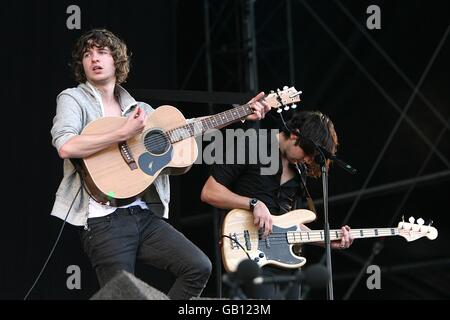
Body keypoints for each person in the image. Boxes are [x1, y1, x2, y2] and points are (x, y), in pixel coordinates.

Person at [50, 28, 270, 299]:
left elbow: (186, 128)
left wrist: (240, 113)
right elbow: (66, 146)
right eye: (87, 54)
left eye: (102, 52)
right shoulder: (73, 98)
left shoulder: (140, 109)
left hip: (142, 215)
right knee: (123, 296)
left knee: (198, 267)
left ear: (116, 60)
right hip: (102, 220)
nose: (94, 58)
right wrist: (122, 133)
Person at [201, 110, 354, 299]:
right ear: (295, 134)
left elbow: (289, 224)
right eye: (307, 152)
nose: (308, 160)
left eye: (312, 158)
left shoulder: (300, 171)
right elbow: (209, 192)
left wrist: (328, 240)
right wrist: (253, 203)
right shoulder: (251, 144)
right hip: (250, 254)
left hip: (287, 265)